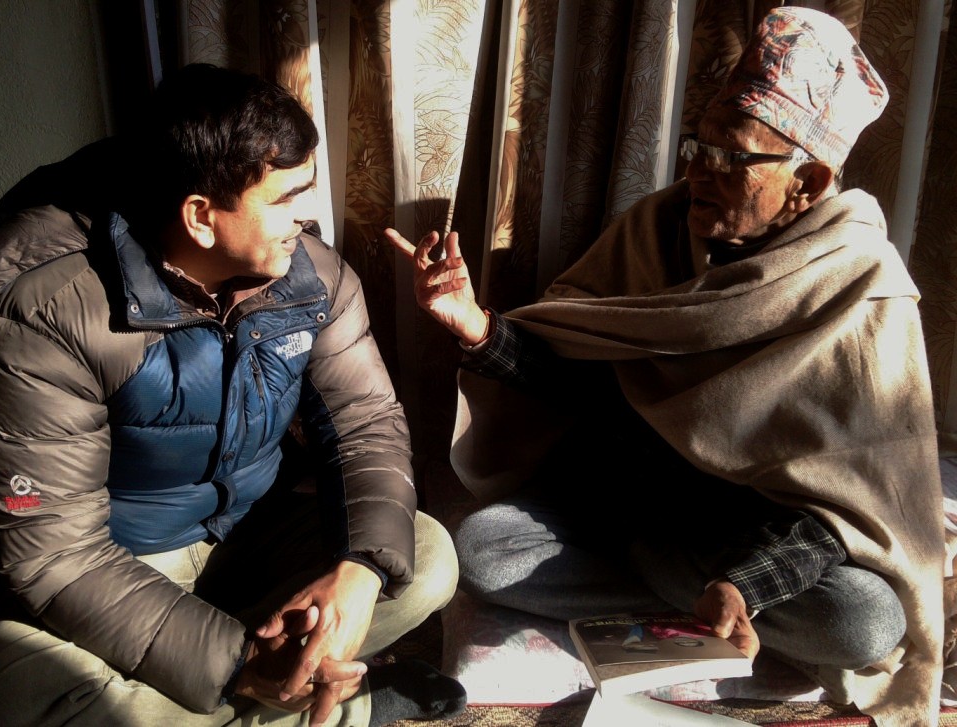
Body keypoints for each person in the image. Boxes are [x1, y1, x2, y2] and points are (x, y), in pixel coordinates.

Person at [388, 7, 945, 726]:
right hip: (634, 509)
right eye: (696, 146)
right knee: (483, 549)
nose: (697, 172)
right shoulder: (657, 229)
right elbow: (583, 380)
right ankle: (688, 595)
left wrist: (744, 585)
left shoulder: (863, 286)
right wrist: (477, 326)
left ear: (808, 180)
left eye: (730, 158)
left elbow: (846, 502)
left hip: (755, 538)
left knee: (866, 622)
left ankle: (704, 599)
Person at [0, 63, 466, 727]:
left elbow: (365, 422)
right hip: (118, 564)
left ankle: (275, 681)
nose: (307, 217)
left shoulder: (315, 277)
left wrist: (359, 571)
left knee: (425, 557)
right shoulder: (43, 321)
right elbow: (55, 555)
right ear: (200, 215)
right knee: (16, 707)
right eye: (285, 199)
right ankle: (345, 701)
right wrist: (240, 663)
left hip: (256, 535)